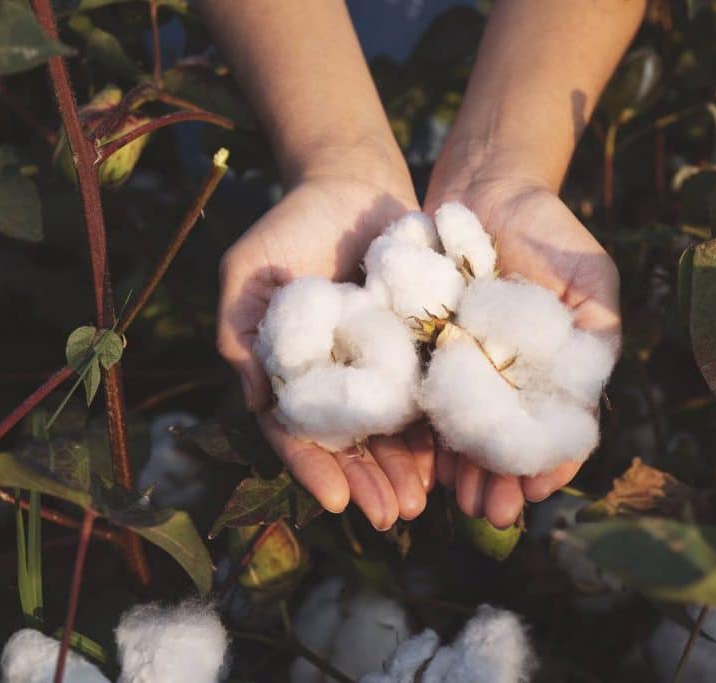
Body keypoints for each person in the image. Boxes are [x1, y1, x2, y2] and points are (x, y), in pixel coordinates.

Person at [201, 1, 640, 531]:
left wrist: (504, 166)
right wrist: (334, 160)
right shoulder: (422, 299)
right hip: (260, 68)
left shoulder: (423, 294)